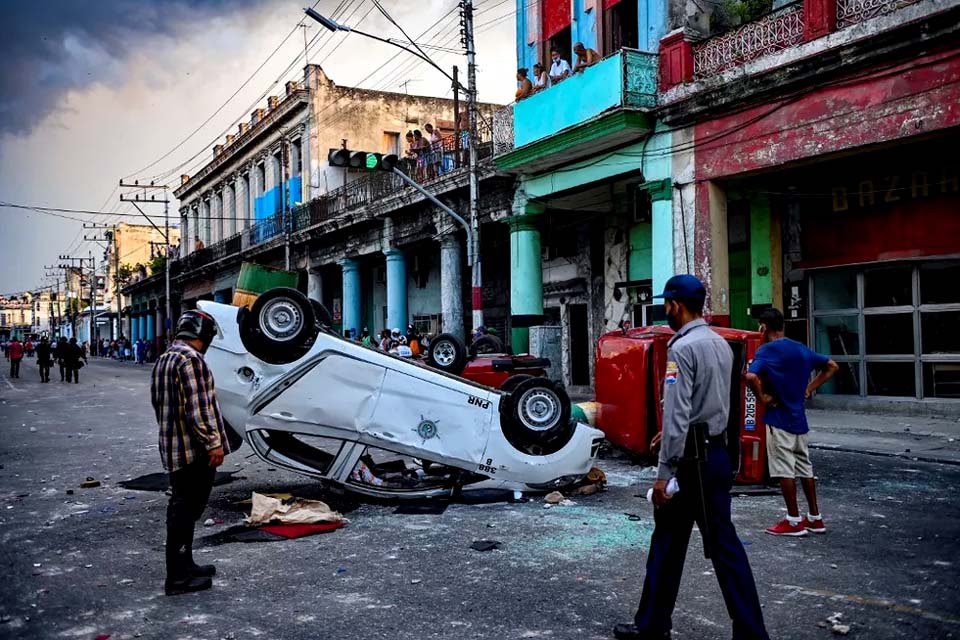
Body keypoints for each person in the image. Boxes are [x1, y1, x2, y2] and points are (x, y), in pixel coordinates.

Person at [614, 274, 769, 640]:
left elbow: (678, 411)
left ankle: (655, 626)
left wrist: (663, 472)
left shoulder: (681, 349)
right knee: (696, 543)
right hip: (714, 454)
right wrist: (672, 435)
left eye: (665, 305)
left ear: (675, 306)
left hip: (688, 462)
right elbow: (713, 405)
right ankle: (741, 631)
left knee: (700, 546)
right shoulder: (719, 344)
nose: (665, 310)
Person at [151, 310, 232, 596]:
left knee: (182, 509)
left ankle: (186, 565)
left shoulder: (165, 358)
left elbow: (158, 403)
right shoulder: (192, 360)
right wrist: (214, 443)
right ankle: (177, 578)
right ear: (204, 335)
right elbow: (199, 410)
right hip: (193, 451)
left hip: (173, 447)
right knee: (186, 511)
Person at [745, 308, 839, 537]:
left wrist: (763, 397)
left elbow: (749, 376)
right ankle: (815, 518)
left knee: (784, 470)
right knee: (805, 468)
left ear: (763, 327)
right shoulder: (801, 349)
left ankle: (793, 519)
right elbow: (832, 366)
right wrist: (810, 388)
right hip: (799, 420)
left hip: (779, 420)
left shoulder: (766, 350)